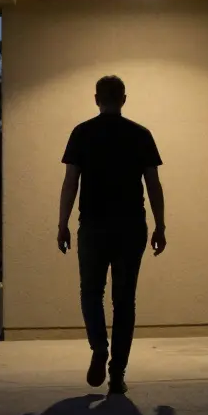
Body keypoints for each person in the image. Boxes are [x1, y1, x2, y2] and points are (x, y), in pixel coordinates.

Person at [57, 75, 166, 395]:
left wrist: (62, 224)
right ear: (123, 99)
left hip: (93, 226)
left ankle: (98, 348)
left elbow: (70, 183)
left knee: (91, 292)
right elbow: (153, 184)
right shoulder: (140, 134)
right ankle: (117, 374)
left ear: (96, 99)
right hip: (131, 226)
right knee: (124, 301)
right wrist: (160, 226)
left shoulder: (82, 133)